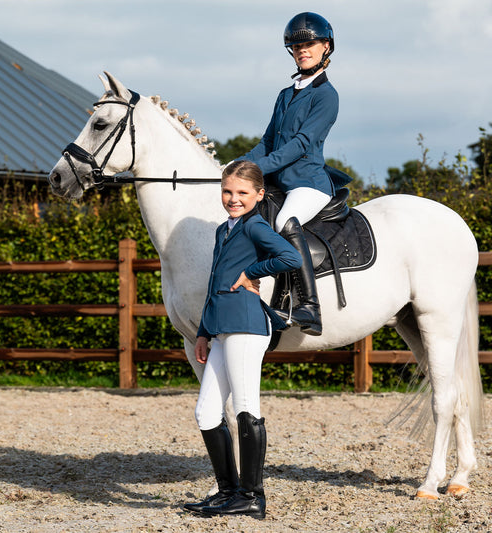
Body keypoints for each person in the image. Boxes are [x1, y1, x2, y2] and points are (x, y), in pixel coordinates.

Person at [183, 160, 302, 520]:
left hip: (248, 327)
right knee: (205, 413)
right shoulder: (224, 229)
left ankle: (252, 495)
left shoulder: (255, 227)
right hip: (222, 328)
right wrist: (203, 332)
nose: (233, 199)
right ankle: (228, 490)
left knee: (246, 407)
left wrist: (252, 271)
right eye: (228, 191)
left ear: (259, 195)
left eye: (242, 193)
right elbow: (214, 284)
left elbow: (290, 256)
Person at [237, 12, 351, 336]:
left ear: (325, 46)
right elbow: (267, 142)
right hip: (279, 181)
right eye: (297, 45)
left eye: (309, 43)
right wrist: (237, 167)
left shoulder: (327, 95)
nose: (303, 50)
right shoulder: (285, 94)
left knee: (284, 220)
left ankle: (311, 307)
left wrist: (257, 169)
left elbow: (301, 144)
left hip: (309, 184)